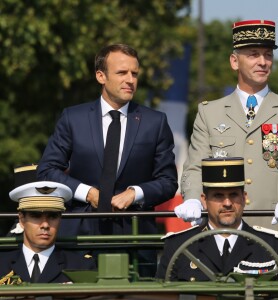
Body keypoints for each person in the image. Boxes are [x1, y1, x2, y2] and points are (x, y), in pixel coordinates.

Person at [36, 43, 178, 276]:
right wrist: (88, 193)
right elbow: (47, 170)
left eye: (135, 73)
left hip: (136, 236)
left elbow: (168, 181)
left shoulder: (155, 122)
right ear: (101, 76)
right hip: (81, 236)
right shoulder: (73, 118)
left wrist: (135, 193)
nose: (130, 79)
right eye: (122, 73)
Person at [175, 20, 278, 231]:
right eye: (253, 54)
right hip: (222, 231)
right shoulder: (209, 113)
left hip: (275, 231)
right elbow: (195, 167)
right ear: (234, 61)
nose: (263, 62)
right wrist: (194, 198)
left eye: (268, 55)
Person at [156, 157, 278, 281]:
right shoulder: (179, 246)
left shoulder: (274, 247)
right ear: (204, 200)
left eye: (234, 195)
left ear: (244, 197)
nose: (227, 203)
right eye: (218, 196)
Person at [0, 181, 96, 284]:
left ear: (60, 219)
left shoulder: (81, 266)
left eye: (52, 216)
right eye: (36, 216)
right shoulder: (2, 263)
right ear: (22, 219)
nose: (45, 225)